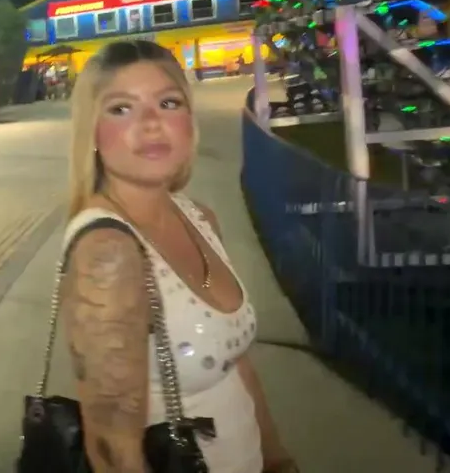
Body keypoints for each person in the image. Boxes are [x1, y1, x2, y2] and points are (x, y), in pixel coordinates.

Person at [61, 40, 294, 473]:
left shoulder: (198, 216)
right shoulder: (107, 251)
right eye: (121, 108)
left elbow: (235, 363)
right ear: (91, 131)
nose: (151, 123)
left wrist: (276, 457)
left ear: (189, 119)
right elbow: (112, 447)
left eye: (168, 103)